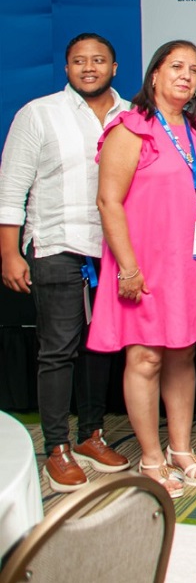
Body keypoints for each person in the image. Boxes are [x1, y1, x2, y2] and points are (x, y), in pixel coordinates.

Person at [88, 40, 196, 497]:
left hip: (189, 263)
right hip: (143, 265)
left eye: (194, 69)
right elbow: (108, 202)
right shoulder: (131, 129)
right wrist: (128, 268)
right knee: (145, 357)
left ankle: (181, 449)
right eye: (176, 67)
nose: (186, 76)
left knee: (182, 354)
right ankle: (151, 457)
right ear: (154, 75)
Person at [0, 33, 131, 492]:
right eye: (79, 61)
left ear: (114, 67)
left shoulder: (131, 116)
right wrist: (9, 253)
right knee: (57, 350)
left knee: (99, 347)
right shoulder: (39, 114)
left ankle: (91, 436)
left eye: (98, 60)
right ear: (67, 68)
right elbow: (11, 187)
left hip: (110, 249)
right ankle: (57, 447)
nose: (89, 68)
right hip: (56, 244)